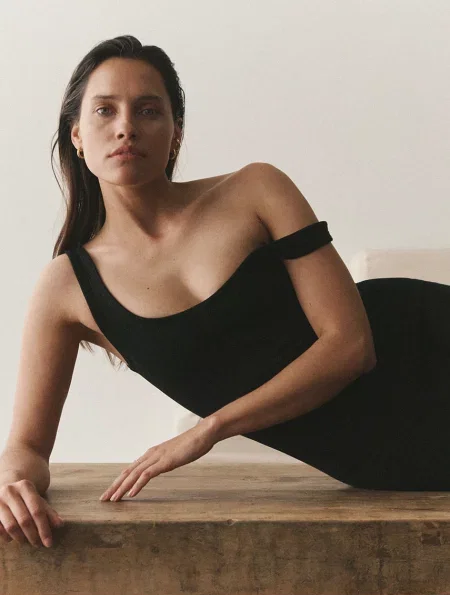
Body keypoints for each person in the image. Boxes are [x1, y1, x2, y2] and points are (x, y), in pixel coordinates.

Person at [1, 35, 449, 551]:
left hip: (426, 339)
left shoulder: (256, 190)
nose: (126, 126)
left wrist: (209, 429)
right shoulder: (67, 289)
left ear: (175, 133)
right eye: (105, 110)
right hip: (384, 457)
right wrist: (11, 485)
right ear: (77, 135)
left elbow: (351, 346)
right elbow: (27, 446)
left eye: (148, 110)